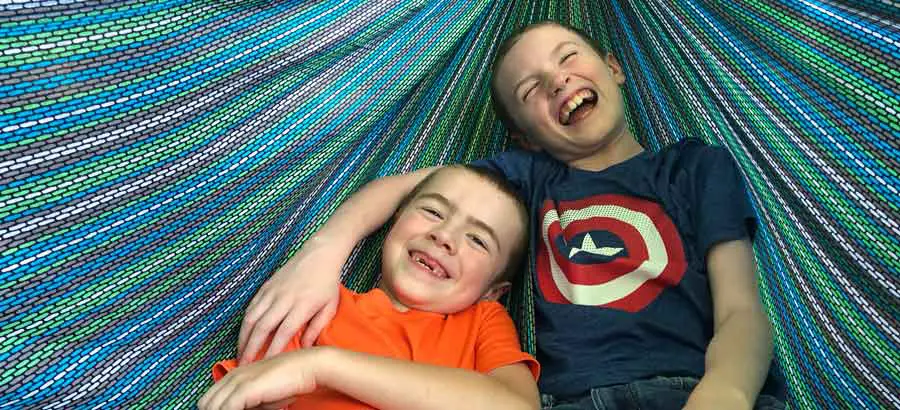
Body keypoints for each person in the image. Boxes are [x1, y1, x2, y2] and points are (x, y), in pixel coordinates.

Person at [237, 21, 784, 410]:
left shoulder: (694, 166)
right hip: (571, 400)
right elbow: (402, 191)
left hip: (700, 384)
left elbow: (742, 308)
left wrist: (727, 392)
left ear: (614, 68)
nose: (556, 81)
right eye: (531, 88)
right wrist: (321, 254)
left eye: (569, 57)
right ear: (524, 137)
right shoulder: (534, 176)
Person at [200, 165, 540, 410]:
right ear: (395, 220)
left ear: (492, 291)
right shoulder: (316, 308)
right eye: (433, 211)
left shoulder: (482, 322)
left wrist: (321, 366)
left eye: (478, 240)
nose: (445, 236)